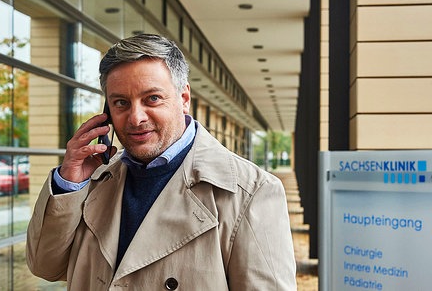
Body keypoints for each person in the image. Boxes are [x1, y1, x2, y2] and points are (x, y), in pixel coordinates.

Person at [26, 33, 297, 290]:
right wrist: (69, 183)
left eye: (152, 98)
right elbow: (45, 266)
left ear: (184, 99)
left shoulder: (251, 191)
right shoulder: (95, 179)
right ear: (107, 111)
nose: (136, 118)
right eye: (121, 103)